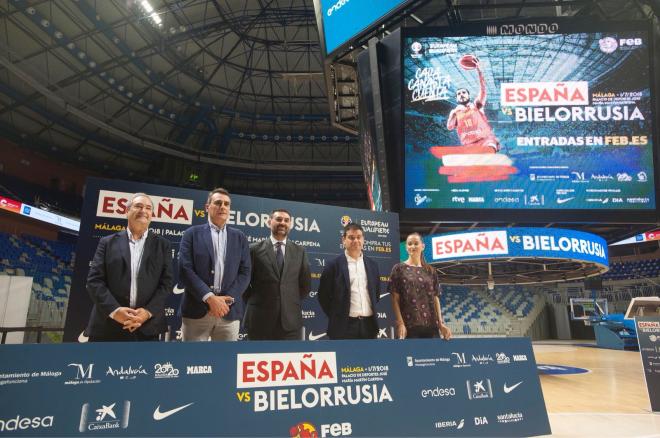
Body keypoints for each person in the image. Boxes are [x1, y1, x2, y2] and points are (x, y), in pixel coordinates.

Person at [85, 193, 173, 342]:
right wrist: (115, 310)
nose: (143, 210)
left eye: (148, 208)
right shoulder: (107, 243)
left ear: (152, 214)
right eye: (138, 206)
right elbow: (94, 281)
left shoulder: (163, 245)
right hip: (108, 325)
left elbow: (166, 284)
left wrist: (147, 312)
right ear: (127, 211)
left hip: (147, 327)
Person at [178, 187, 251, 341]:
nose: (222, 207)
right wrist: (210, 298)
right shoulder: (191, 233)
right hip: (196, 311)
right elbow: (185, 269)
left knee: (226, 362)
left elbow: (245, 272)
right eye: (218, 203)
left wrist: (227, 300)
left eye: (226, 204)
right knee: (192, 361)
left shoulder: (240, 237)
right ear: (207, 207)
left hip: (228, 312)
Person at [243, 209, 311, 340]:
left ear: (290, 225)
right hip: (259, 320)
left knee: (289, 360)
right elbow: (244, 283)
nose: (283, 223)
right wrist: (257, 301)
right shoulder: (253, 249)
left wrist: (288, 301)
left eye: (286, 220)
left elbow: (305, 286)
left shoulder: (300, 251)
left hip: (290, 322)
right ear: (269, 222)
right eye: (279, 219)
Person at [318, 223, 380, 339]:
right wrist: (337, 315)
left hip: (369, 326)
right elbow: (323, 296)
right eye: (351, 237)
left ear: (363, 239)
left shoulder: (373, 265)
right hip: (343, 327)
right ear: (344, 240)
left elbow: (376, 294)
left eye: (359, 237)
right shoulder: (333, 265)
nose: (355, 240)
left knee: (371, 357)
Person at [388, 233, 452, 340]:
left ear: (423, 246)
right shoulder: (398, 269)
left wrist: (441, 323)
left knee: (434, 357)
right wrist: (400, 323)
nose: (412, 246)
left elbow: (435, 297)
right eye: (409, 244)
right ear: (406, 247)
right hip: (409, 326)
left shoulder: (430, 271)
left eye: (416, 243)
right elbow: (394, 299)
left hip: (432, 326)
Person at [446, 55, 500, 153]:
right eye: (459, 94)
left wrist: (479, 71)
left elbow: (483, 90)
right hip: (469, 145)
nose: (461, 95)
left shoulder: (476, 105)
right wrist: (453, 114)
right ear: (456, 98)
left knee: (488, 150)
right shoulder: (455, 112)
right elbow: (449, 127)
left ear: (469, 95)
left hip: (485, 141)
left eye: (464, 92)